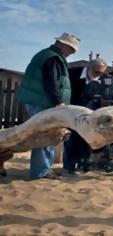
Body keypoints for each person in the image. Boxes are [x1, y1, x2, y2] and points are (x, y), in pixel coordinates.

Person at [16, 32, 80, 179]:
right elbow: (51, 82)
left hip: (40, 101)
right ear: (63, 45)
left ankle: (45, 168)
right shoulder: (52, 58)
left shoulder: (48, 55)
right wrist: (58, 102)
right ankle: (41, 171)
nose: (73, 52)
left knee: (49, 136)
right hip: (43, 102)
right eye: (71, 49)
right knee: (44, 136)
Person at [63, 59, 107, 174]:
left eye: (101, 73)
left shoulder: (103, 79)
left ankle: (84, 165)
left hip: (91, 113)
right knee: (71, 140)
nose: (99, 75)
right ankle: (70, 167)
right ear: (89, 67)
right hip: (72, 111)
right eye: (97, 72)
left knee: (87, 140)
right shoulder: (72, 74)